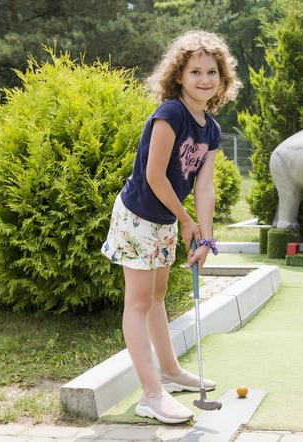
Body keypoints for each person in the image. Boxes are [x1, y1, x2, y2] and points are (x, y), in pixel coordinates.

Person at [101, 30, 241, 424]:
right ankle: (151, 395)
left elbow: (205, 185)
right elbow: (156, 176)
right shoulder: (171, 114)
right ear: (178, 75)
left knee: (159, 295)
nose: (204, 79)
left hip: (165, 218)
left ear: (222, 79)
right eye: (194, 70)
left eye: (212, 72)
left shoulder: (210, 128)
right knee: (139, 301)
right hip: (139, 216)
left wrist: (206, 236)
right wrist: (186, 221)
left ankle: (170, 371)